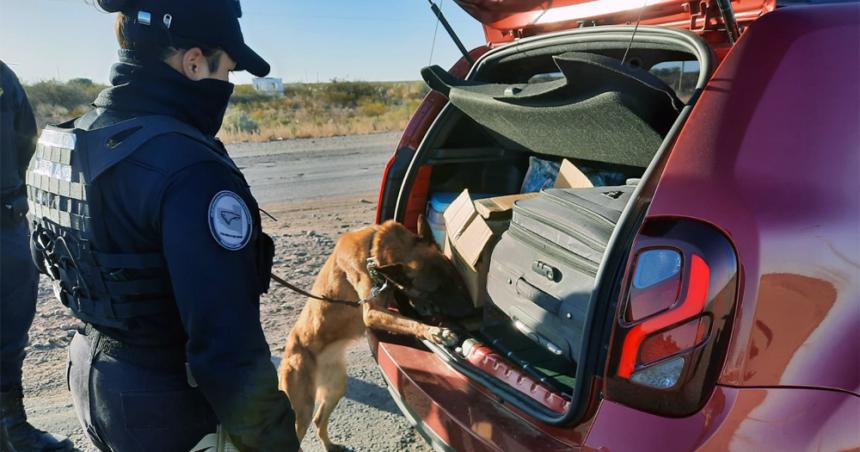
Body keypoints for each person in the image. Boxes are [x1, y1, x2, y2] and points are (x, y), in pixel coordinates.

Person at [25, 1, 301, 450]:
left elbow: (48, 258)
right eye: (225, 71)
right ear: (193, 63)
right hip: (167, 404)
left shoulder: (68, 140)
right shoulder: (192, 169)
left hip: (92, 381)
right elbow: (227, 350)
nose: (226, 87)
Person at [0, 61, 76, 452]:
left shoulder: (2, 77)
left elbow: (26, 142)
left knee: (11, 337)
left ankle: (14, 428)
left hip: (6, 225)